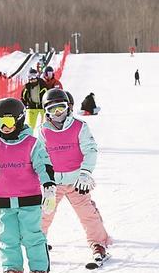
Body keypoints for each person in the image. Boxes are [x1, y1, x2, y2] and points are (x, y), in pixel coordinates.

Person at [0, 98, 56, 273]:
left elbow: (43, 165)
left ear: (19, 119)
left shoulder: (32, 143)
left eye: (9, 121)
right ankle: (13, 270)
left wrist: (49, 187)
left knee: (33, 236)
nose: (4, 126)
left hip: (29, 200)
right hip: (4, 202)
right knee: (7, 238)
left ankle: (39, 271)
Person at [37, 89, 112, 263]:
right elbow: (40, 157)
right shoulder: (43, 131)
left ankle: (98, 243)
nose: (58, 113)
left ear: (68, 107)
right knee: (43, 213)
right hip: (54, 183)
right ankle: (38, 243)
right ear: (45, 111)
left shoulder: (79, 126)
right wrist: (44, 180)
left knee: (87, 213)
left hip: (77, 181)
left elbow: (90, 149)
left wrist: (85, 172)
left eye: (61, 108)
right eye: (52, 109)